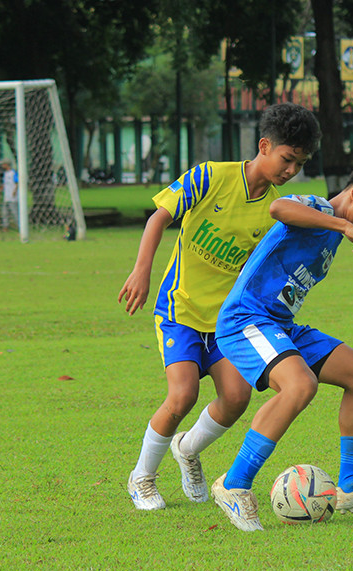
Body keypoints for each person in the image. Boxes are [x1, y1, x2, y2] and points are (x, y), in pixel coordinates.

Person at [118, 103, 321, 511]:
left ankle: (188, 450)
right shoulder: (211, 176)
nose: (290, 170)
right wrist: (142, 270)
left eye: (299, 164)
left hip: (227, 322)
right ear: (264, 146)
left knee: (236, 397)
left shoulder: (277, 211)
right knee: (182, 396)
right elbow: (158, 218)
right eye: (286, 159)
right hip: (181, 309)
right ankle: (141, 477)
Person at [210, 161, 353, 532]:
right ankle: (233, 484)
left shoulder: (332, 232)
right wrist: (346, 224)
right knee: (301, 385)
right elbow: (278, 208)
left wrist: (347, 229)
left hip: (281, 326)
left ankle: (351, 488)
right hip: (245, 319)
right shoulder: (318, 208)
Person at [0, 160, 19, 230]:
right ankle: (5, 227)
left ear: (6, 164)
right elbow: (4, 184)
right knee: (4, 213)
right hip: (6, 197)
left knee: (15, 213)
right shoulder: (5, 173)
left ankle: (20, 227)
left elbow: (17, 182)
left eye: (3, 164)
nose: (2, 166)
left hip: (13, 197)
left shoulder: (13, 173)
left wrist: (14, 191)